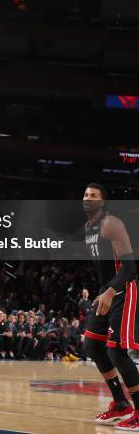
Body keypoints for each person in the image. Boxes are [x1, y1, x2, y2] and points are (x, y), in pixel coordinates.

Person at [82, 183, 139, 429]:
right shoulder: (88, 227)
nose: (88, 198)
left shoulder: (111, 224)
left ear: (102, 202)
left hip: (124, 289)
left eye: (94, 196)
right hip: (105, 292)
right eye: (85, 195)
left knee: (116, 351)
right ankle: (120, 404)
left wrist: (111, 290)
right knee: (92, 345)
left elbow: (129, 266)